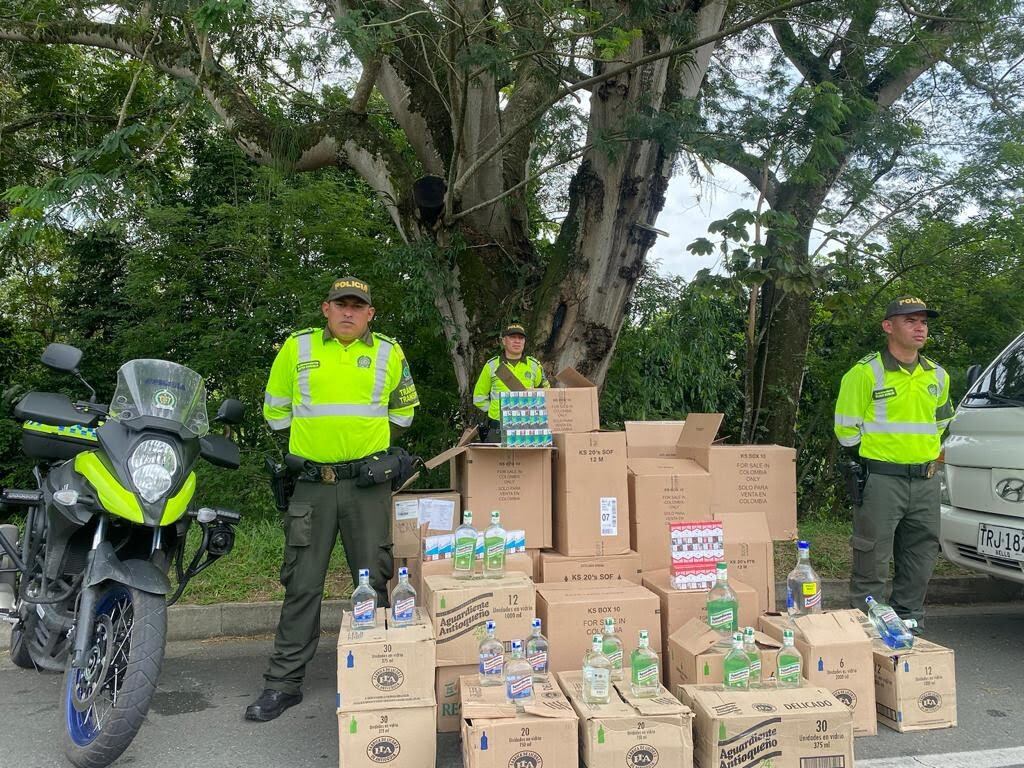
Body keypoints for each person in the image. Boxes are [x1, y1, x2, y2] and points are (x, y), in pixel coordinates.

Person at [246, 276, 418, 722]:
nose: (348, 312)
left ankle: (385, 674)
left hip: (367, 486)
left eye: (357, 306)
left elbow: (403, 413)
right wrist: (315, 450)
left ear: (370, 314)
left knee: (378, 581)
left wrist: (368, 452)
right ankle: (283, 684)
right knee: (302, 585)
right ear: (326, 309)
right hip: (311, 487)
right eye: (340, 304)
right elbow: (275, 413)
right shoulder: (297, 349)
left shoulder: (389, 352)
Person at [834, 297, 953, 628]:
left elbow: (943, 423)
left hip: (926, 480)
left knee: (921, 556)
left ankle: (909, 621)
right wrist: (879, 460)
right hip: (882, 480)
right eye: (910, 321)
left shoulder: (937, 376)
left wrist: (921, 455)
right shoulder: (866, 373)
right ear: (888, 326)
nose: (920, 328)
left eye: (924, 322)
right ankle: (868, 625)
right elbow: (846, 430)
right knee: (872, 556)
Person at [472, 322, 550, 441]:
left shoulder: (534, 366)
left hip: (527, 428)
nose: (517, 341)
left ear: (524, 342)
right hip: (498, 429)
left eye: (521, 338)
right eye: (512, 337)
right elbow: (478, 397)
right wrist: (496, 411)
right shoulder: (492, 365)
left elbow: (546, 393)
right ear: (504, 341)